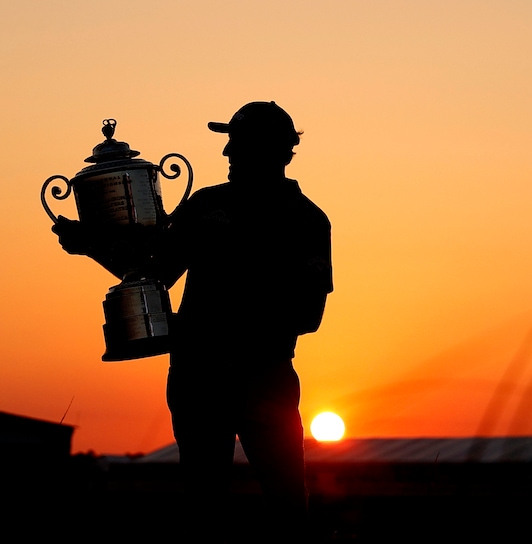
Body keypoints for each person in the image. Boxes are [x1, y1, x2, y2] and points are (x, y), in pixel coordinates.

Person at [56, 101, 333, 529]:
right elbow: (153, 273)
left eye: (237, 145)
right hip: (203, 380)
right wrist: (91, 244)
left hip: (257, 381)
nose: (226, 154)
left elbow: (308, 315)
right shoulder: (208, 205)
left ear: (275, 151)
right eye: (229, 144)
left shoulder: (307, 220)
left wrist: (220, 338)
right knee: (207, 506)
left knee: (287, 508)